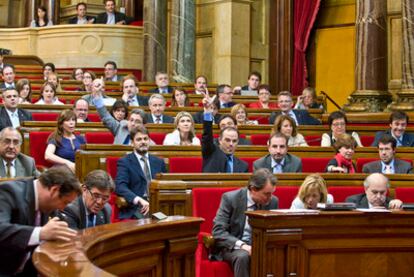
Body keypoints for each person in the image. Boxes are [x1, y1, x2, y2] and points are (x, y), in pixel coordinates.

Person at [0, 165, 80, 276]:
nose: (62, 208)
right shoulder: (8, 192)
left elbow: (64, 230)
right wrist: (41, 233)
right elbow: (1, 229)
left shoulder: (49, 204)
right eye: (65, 202)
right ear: (54, 190)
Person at [212, 168, 279, 277]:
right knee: (242, 256)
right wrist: (243, 245)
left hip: (260, 246)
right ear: (253, 189)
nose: (270, 198)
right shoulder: (231, 198)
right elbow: (218, 231)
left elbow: (274, 230)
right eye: (266, 194)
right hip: (232, 247)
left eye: (272, 193)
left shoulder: (273, 201)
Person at [115, 126, 167, 219]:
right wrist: (138, 199)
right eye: (139, 139)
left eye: (145, 139)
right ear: (132, 143)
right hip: (137, 208)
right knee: (152, 222)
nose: (143, 142)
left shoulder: (159, 162)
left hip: (157, 206)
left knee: (173, 221)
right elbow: (120, 186)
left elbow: (165, 186)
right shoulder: (125, 162)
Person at [201, 92, 248, 173]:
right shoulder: (210, 153)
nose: (231, 144)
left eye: (234, 141)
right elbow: (207, 136)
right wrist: (208, 112)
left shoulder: (243, 166)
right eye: (227, 140)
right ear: (219, 140)